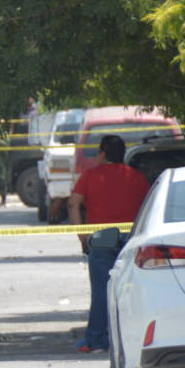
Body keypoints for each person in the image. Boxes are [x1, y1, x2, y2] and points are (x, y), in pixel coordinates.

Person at [68, 135, 150, 354]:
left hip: (102, 237)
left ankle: (96, 340)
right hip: (132, 239)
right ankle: (130, 339)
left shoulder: (90, 176)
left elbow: (73, 203)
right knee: (131, 291)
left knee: (102, 290)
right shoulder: (137, 177)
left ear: (103, 153)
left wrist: (82, 235)